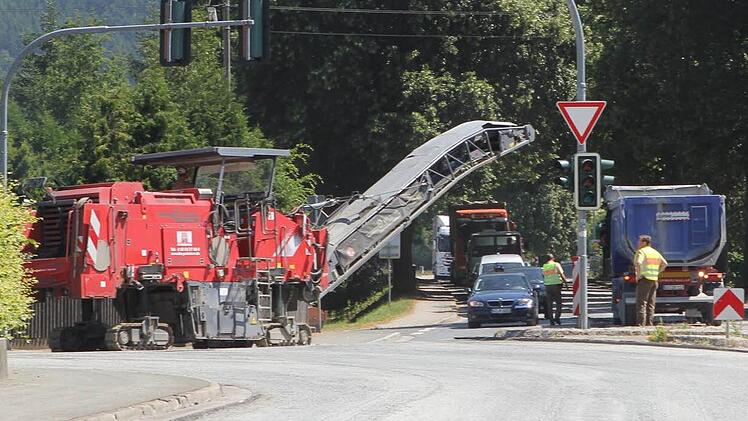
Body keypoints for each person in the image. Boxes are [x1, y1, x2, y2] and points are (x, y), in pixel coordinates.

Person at [633, 235, 667, 326]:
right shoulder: (655, 252)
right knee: (651, 304)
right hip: (654, 280)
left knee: (641, 303)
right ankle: (649, 324)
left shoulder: (641, 252)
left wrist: (638, 276)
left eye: (639, 241)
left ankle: (641, 324)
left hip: (644, 280)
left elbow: (639, 263)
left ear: (644, 243)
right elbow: (665, 264)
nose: (638, 243)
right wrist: (657, 272)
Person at [542, 253, 569, 326]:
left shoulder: (544, 266)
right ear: (553, 258)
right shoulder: (556, 264)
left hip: (548, 286)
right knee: (558, 303)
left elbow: (544, 276)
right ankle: (557, 317)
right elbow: (561, 274)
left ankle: (551, 320)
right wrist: (566, 283)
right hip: (556, 285)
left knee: (549, 304)